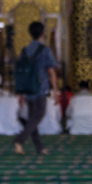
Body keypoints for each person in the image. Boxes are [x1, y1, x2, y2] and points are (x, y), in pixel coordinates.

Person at [12, 21, 59, 155]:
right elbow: (51, 71)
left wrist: (21, 93)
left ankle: (39, 148)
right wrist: (55, 90)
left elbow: (20, 72)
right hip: (40, 87)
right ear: (43, 33)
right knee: (38, 116)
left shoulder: (25, 50)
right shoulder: (45, 50)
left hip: (27, 88)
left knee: (33, 117)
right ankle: (19, 140)